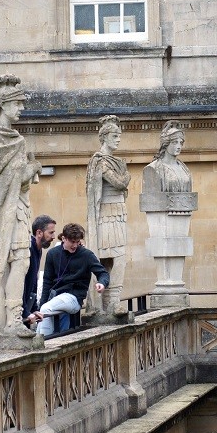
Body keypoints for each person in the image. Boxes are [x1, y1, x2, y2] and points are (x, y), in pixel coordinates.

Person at [0, 74, 42, 337]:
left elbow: (19, 181)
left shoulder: (16, 138)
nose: (22, 109)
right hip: (3, 210)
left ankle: (14, 318)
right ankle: (5, 319)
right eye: (18, 104)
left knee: (21, 262)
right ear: (4, 105)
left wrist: (27, 172)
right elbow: (4, 178)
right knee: (10, 263)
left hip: (18, 208)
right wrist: (32, 168)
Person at [86, 115, 130, 317]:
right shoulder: (100, 162)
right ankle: (101, 305)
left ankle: (114, 303)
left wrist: (124, 175)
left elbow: (121, 182)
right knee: (106, 259)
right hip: (106, 215)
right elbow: (120, 183)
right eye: (114, 135)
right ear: (104, 137)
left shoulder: (117, 161)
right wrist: (126, 175)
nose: (118, 139)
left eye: (119, 135)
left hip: (119, 213)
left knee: (120, 258)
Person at [32, 223, 111, 336]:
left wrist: (101, 283)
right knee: (47, 311)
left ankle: (42, 341)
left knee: (45, 309)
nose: (75, 245)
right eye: (72, 241)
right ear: (64, 238)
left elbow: (102, 273)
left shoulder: (86, 255)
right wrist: (41, 307)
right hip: (56, 297)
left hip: (74, 297)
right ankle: (48, 340)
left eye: (77, 241)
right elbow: (47, 282)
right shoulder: (53, 254)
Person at [23, 214, 56, 323]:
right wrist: (26, 312)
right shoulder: (28, 249)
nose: (54, 236)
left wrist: (33, 309)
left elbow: (33, 283)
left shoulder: (38, 249)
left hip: (26, 308)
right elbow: (20, 282)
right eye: (51, 232)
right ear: (39, 233)